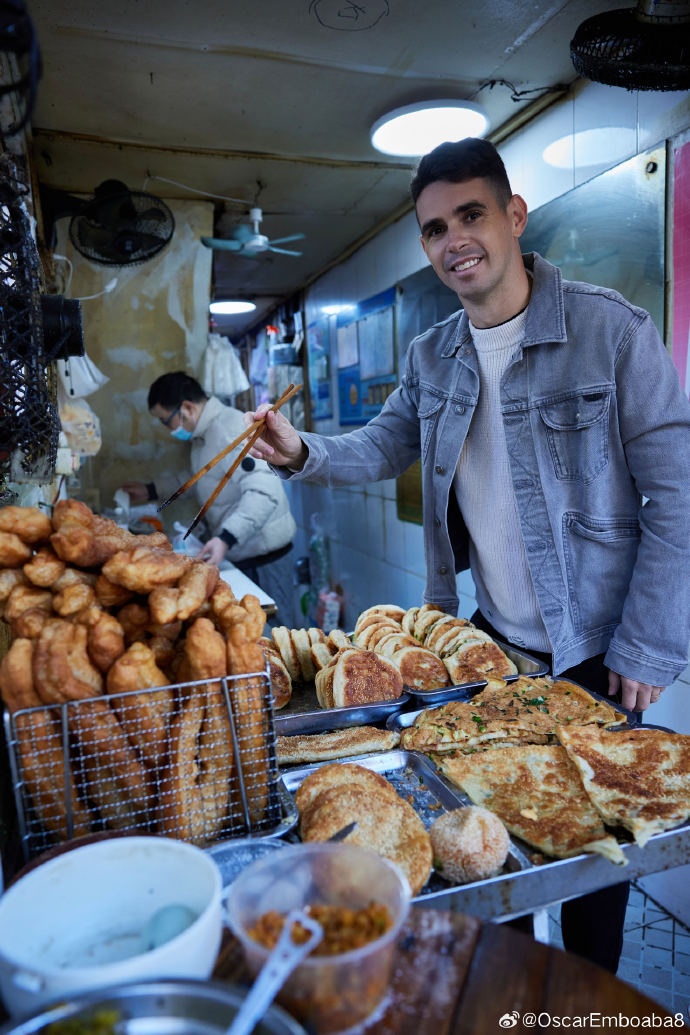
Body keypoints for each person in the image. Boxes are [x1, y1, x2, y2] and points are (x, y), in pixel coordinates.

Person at [243, 138, 690, 972]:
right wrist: (301, 448)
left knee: (598, 862)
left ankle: (590, 1003)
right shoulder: (431, 355)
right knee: (494, 852)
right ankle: (514, 997)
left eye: (472, 215)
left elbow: (679, 494)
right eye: (434, 227)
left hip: (598, 651)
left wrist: (648, 644)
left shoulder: (610, 331)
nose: (454, 240)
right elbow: (383, 444)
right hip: (492, 651)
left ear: (515, 216)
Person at [121, 371, 298, 627]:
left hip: (264, 558)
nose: (168, 430)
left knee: (278, 635)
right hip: (243, 553)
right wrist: (150, 490)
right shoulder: (204, 436)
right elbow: (201, 478)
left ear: (187, 408)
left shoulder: (230, 429)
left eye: (165, 421)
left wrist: (226, 539)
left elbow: (264, 493)